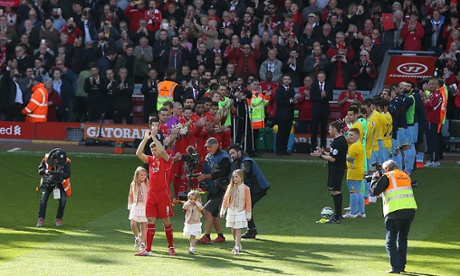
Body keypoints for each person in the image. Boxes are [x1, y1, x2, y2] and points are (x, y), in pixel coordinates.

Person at [370, 160, 417, 274]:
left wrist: (375, 178)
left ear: (387, 168)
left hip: (395, 211)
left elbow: (375, 191)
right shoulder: (405, 175)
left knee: (390, 241)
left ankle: (395, 267)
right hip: (410, 210)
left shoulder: (387, 176)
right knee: (402, 239)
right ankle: (401, 266)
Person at [135, 126, 176, 256]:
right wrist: (145, 139)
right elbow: (138, 154)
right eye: (152, 150)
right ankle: (148, 249)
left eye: (155, 150)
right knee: (150, 221)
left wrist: (154, 136)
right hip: (151, 194)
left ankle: (171, 246)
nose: (153, 152)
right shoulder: (151, 161)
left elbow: (163, 151)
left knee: (166, 221)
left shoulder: (166, 160)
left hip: (163, 194)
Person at [228, 144, 269, 238]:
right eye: (230, 154)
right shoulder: (243, 160)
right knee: (247, 208)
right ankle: (251, 230)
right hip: (258, 188)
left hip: (258, 188)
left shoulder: (245, 161)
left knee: (246, 207)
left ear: (239, 152)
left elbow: (243, 172)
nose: (232, 156)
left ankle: (251, 230)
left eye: (233, 153)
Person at [196, 137, 232, 244]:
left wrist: (205, 177)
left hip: (222, 188)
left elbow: (221, 173)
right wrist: (201, 178)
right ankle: (220, 236)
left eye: (210, 147)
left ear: (217, 145)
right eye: (207, 147)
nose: (208, 149)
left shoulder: (224, 157)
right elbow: (205, 171)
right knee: (213, 213)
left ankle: (207, 236)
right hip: (212, 188)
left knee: (207, 210)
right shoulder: (208, 157)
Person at [311, 122, 348, 223]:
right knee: (334, 190)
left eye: (330, 129)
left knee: (335, 191)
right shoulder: (339, 140)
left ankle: (337, 216)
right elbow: (332, 154)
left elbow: (333, 159)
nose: (329, 131)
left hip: (336, 169)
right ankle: (338, 214)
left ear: (335, 130)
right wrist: (323, 152)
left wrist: (320, 156)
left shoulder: (339, 141)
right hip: (337, 168)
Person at [36, 148, 71, 227]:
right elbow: (40, 170)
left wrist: (60, 175)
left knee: (63, 200)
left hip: (60, 183)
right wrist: (48, 172)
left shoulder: (66, 161)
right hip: (48, 182)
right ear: (54, 159)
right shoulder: (46, 159)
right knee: (43, 199)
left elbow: (68, 174)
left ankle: (59, 219)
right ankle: (40, 218)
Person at [220, 169, 251, 255]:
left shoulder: (246, 188)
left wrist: (248, 213)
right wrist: (223, 210)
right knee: (233, 228)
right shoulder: (230, 187)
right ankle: (237, 243)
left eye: (236, 177)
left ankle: (236, 247)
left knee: (238, 228)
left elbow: (248, 201)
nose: (235, 179)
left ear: (241, 177)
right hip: (231, 210)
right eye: (233, 177)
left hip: (240, 210)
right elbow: (225, 199)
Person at [343, 128, 366, 218]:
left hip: (353, 170)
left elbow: (350, 159)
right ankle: (362, 212)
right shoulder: (359, 144)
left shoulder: (354, 146)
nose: (350, 137)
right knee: (359, 191)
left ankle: (353, 213)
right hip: (359, 170)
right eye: (349, 135)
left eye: (352, 135)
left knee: (353, 192)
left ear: (358, 135)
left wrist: (343, 154)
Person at [127, 166, 149, 251]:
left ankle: (143, 243)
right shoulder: (133, 184)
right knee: (133, 223)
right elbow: (130, 195)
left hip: (144, 206)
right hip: (136, 205)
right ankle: (137, 237)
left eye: (144, 175)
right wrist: (130, 206)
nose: (143, 177)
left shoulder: (147, 183)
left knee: (143, 225)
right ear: (137, 176)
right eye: (141, 175)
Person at [182, 190, 204, 254]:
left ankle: (192, 248)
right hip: (189, 223)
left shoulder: (198, 204)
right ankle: (192, 246)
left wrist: (197, 203)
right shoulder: (188, 204)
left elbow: (201, 208)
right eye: (191, 199)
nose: (192, 201)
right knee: (190, 235)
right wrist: (188, 203)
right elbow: (184, 207)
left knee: (193, 236)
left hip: (196, 223)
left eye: (194, 199)